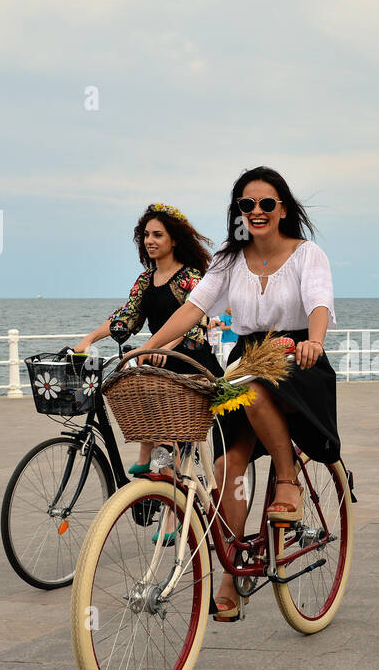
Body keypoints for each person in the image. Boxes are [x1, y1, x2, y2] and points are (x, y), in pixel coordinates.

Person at [141, 166, 340, 622]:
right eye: (246, 205)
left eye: (266, 204)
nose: (256, 212)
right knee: (226, 466)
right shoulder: (229, 260)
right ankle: (231, 574)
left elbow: (318, 301)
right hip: (248, 357)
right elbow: (194, 307)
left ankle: (287, 478)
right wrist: (148, 348)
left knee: (249, 384)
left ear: (283, 209)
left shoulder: (308, 254)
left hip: (296, 355)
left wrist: (315, 340)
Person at [74, 203, 223, 475]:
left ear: (174, 240)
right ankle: (150, 455)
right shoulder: (146, 279)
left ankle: (167, 470)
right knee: (131, 383)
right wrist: (89, 338)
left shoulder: (189, 277)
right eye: (145, 235)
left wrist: (164, 347)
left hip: (190, 359)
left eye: (157, 235)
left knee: (161, 411)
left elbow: (193, 322)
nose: (149, 241)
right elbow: (128, 315)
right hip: (159, 357)